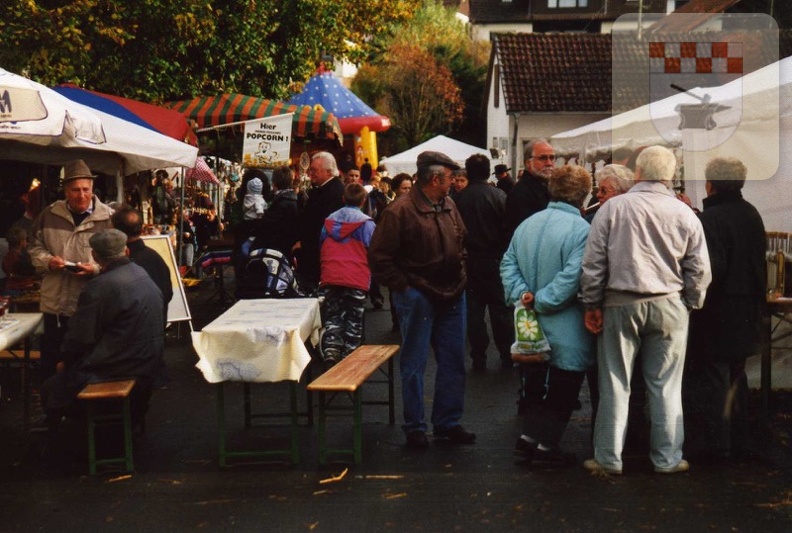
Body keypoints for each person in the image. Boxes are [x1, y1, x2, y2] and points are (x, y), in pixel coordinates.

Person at [580, 146, 712, 475]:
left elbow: (593, 264)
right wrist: (691, 302)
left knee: (615, 382)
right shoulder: (685, 214)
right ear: (670, 175)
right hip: (669, 302)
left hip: (620, 302)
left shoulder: (612, 210)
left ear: (637, 173)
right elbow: (699, 269)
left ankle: (608, 458)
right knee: (665, 385)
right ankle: (667, 458)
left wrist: (592, 303)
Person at [369, 150, 475, 449]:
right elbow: (379, 258)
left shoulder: (448, 204)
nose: (454, 182)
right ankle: (415, 426)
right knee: (414, 363)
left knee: (453, 360)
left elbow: (462, 241)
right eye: (451, 177)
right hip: (418, 295)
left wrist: (461, 271)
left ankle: (447, 422)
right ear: (435, 178)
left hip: (452, 293)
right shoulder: (399, 211)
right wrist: (404, 288)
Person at [501, 165, 595, 467]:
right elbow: (573, 276)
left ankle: (530, 437)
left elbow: (508, 264)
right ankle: (547, 446)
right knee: (564, 385)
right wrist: (542, 300)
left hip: (530, 322)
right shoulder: (581, 229)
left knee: (536, 382)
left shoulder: (528, 223)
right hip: (565, 322)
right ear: (583, 194)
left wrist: (522, 295)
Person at [40, 229, 165, 432]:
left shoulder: (99, 286)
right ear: (125, 251)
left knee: (51, 387)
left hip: (122, 365)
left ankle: (68, 439)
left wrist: (67, 362)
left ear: (95, 256)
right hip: (148, 360)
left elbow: (79, 338)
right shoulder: (141, 273)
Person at [684, 157, 767, 464]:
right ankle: (739, 438)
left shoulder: (711, 219)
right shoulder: (751, 213)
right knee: (735, 375)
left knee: (711, 376)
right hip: (747, 306)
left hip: (717, 307)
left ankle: (714, 445)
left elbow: (711, 268)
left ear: (710, 183)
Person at [28, 160, 114, 380]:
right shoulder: (48, 214)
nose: (81, 195)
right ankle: (52, 409)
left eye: (86, 189)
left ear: (92, 189)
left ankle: (79, 410)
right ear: (66, 191)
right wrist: (48, 261)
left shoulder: (109, 218)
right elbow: (34, 247)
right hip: (54, 304)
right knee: (50, 359)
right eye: (75, 190)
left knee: (81, 361)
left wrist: (94, 269)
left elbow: (117, 259)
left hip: (88, 304)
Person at [454, 154, 513, 372]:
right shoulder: (499, 196)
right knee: (500, 310)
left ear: (468, 172)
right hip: (495, 259)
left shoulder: (458, 199)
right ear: (488, 171)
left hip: (470, 261)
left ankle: (479, 356)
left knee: (474, 310)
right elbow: (508, 229)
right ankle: (506, 354)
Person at [318, 183, 376, 368]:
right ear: (363, 200)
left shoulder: (329, 221)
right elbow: (373, 250)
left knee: (333, 315)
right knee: (354, 318)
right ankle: (350, 355)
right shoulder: (367, 224)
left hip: (332, 274)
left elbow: (322, 244)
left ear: (343, 199)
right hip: (356, 277)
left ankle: (331, 351)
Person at [111, 205, 174, 324]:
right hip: (155, 327)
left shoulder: (125, 263)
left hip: (133, 331)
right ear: (142, 229)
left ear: (116, 232)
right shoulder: (154, 256)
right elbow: (167, 293)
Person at [294, 152, 345, 292]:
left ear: (328, 172)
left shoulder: (333, 192)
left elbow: (324, 225)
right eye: (311, 170)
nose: (311, 173)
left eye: (314, 170)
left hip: (319, 256)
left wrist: (304, 244)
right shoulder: (324, 189)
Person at [504, 139, 555, 238]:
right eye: (543, 158)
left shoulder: (548, 188)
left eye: (552, 158)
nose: (549, 163)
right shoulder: (521, 193)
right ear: (528, 163)